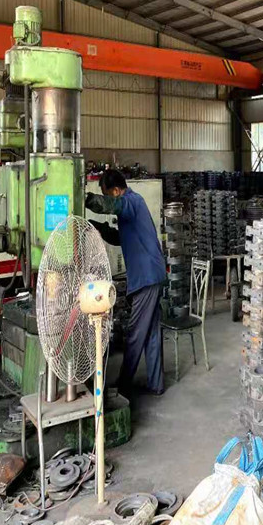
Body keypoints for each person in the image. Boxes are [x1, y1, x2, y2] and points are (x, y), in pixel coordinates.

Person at [86, 169, 166, 396]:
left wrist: (86, 200)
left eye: (107, 195)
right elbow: (120, 238)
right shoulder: (132, 208)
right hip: (152, 274)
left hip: (146, 277)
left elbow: (114, 205)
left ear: (116, 191)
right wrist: (98, 227)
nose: (108, 199)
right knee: (151, 332)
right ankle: (156, 384)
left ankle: (123, 387)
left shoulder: (131, 201)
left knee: (134, 334)